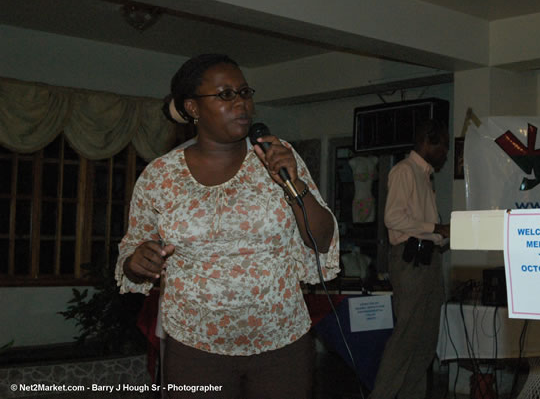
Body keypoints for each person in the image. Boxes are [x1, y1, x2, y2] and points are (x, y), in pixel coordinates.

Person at [114, 54, 340, 399]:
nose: (241, 103)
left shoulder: (278, 157)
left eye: (244, 92)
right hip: (195, 346)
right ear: (192, 108)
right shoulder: (160, 176)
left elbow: (321, 239)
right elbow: (133, 253)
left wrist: (294, 184)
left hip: (281, 342)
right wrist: (137, 261)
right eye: (225, 95)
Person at [369, 118, 450, 399]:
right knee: (406, 338)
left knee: (425, 341)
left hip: (428, 259)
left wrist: (445, 235)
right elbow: (393, 218)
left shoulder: (424, 175)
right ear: (428, 142)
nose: (446, 154)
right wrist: (435, 229)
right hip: (410, 261)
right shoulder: (405, 171)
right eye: (444, 147)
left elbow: (421, 223)